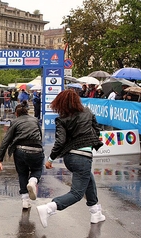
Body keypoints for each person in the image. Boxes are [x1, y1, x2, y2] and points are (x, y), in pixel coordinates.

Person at [36, 90, 105, 228]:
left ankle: (95, 211)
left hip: (69, 158)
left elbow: (60, 141)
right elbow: (97, 131)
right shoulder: (88, 112)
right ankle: (50, 207)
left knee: (88, 179)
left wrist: (50, 159)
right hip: (83, 158)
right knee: (77, 193)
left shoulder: (61, 119)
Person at [0, 102, 44, 209]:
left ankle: (25, 201)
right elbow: (40, 135)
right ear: (27, 112)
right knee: (37, 170)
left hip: (21, 150)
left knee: (22, 174)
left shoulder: (15, 122)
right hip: (36, 149)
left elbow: (6, 140)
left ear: (16, 114)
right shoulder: (35, 120)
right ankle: (33, 181)